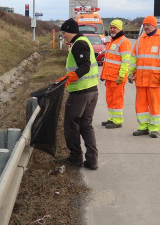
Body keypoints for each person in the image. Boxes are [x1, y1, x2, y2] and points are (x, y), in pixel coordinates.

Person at [56, 18, 99, 170]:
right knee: (86, 125)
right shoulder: (83, 41)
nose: (63, 36)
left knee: (70, 124)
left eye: (64, 33)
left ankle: (75, 157)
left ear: (70, 31)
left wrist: (69, 78)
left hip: (81, 93)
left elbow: (85, 66)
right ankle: (92, 160)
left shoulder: (79, 44)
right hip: (92, 91)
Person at [128, 15, 160, 138]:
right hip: (141, 79)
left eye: (148, 24)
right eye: (144, 25)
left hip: (155, 80)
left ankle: (154, 129)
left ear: (154, 25)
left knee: (155, 105)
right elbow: (133, 59)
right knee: (141, 105)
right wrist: (130, 73)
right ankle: (143, 127)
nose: (146, 27)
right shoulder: (140, 40)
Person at [100, 19, 131, 129]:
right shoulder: (111, 41)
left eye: (115, 28)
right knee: (110, 99)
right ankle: (112, 118)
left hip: (117, 77)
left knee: (117, 100)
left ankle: (117, 121)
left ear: (120, 29)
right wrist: (103, 75)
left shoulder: (124, 42)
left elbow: (126, 61)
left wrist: (121, 76)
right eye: (111, 27)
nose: (112, 29)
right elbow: (107, 60)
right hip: (109, 77)